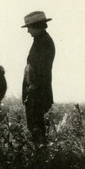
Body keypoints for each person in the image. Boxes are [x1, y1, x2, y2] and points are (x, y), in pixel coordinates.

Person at [21, 11, 55, 147]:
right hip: (34, 89)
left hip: (37, 90)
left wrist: (34, 86)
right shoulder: (40, 41)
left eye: (29, 27)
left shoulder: (45, 42)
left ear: (37, 26)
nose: (28, 31)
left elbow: (43, 68)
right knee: (34, 124)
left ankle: (41, 155)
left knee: (36, 125)